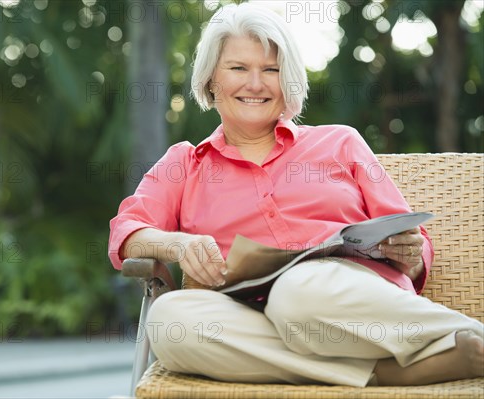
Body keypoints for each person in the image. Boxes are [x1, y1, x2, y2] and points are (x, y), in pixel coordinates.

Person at [108, 3, 483, 387]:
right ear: (210, 81)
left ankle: (473, 338)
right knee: (171, 319)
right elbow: (126, 232)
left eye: (270, 70)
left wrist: (411, 254)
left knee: (297, 292)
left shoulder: (339, 142)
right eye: (238, 69)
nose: (255, 84)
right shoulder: (186, 163)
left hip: (347, 298)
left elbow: (411, 239)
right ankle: (383, 373)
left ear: (287, 82)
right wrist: (177, 245)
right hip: (249, 313)